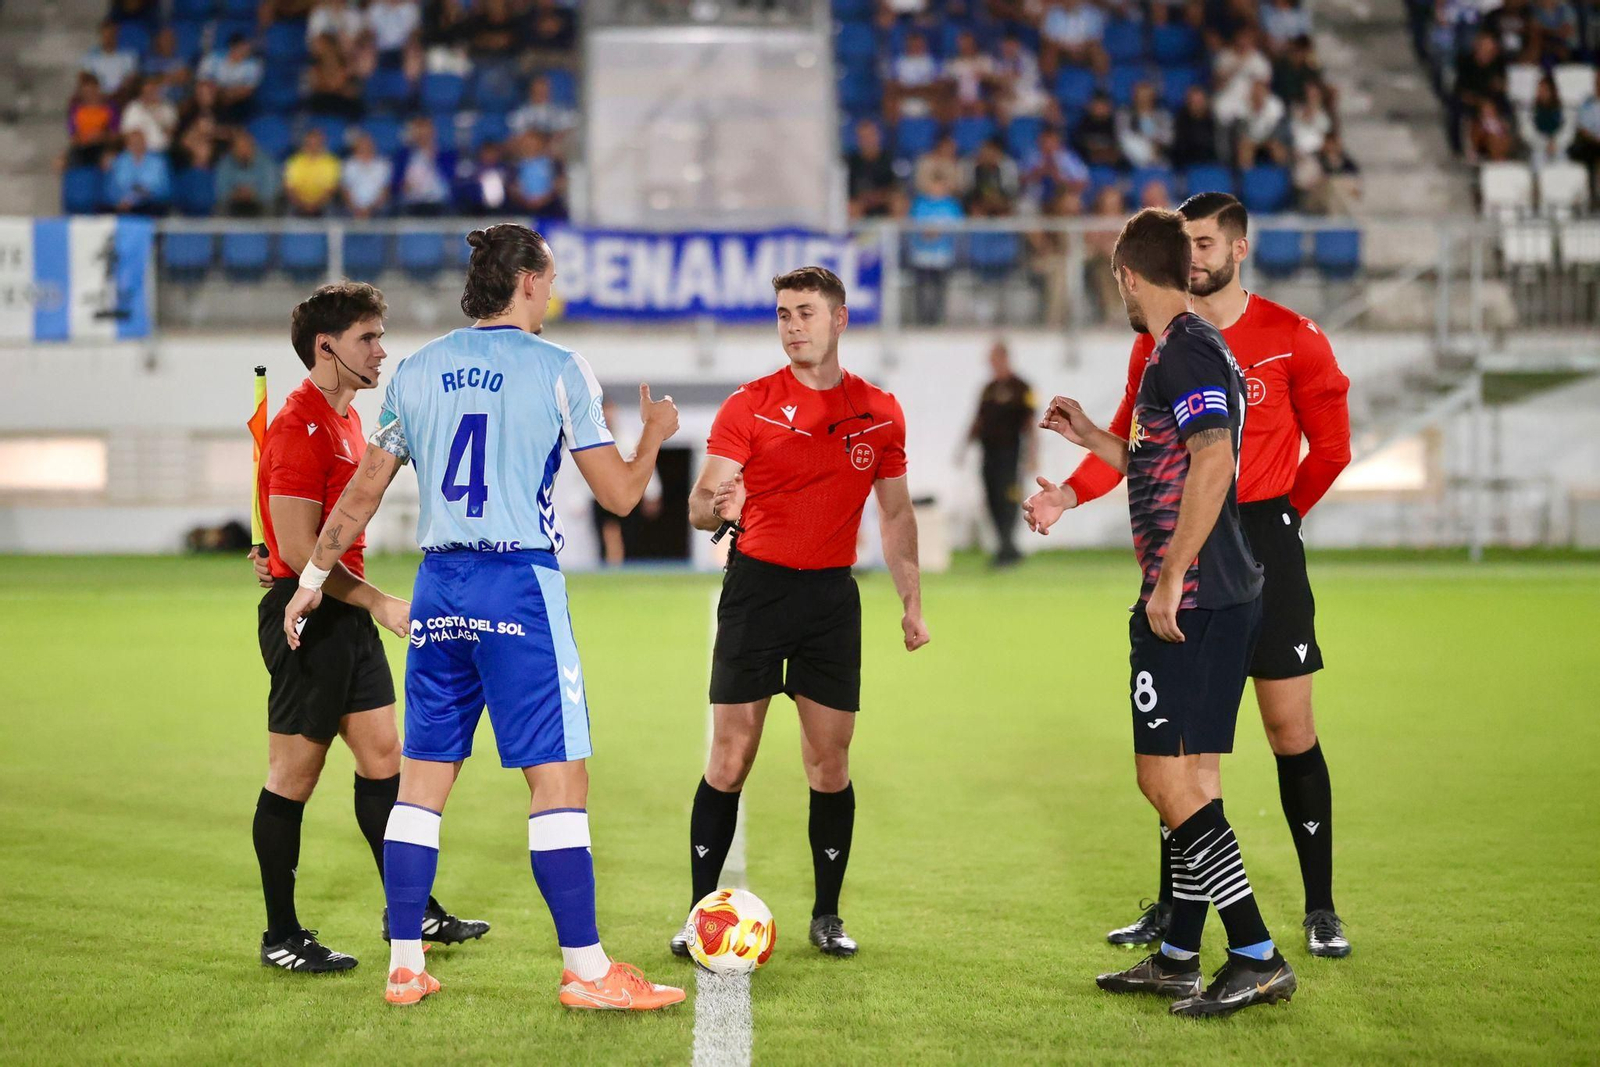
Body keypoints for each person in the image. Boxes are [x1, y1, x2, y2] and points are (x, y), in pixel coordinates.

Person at [282, 224, 685, 1011]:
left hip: (438, 586)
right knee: (559, 776)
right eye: (552, 276)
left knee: (423, 780)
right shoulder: (561, 367)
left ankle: (404, 962)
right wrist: (657, 436)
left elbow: (361, 492)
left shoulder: (418, 369)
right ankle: (588, 968)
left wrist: (312, 576)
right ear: (529, 281)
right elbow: (622, 496)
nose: (554, 289)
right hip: (516, 583)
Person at [1025, 193, 1353, 958]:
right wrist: (1074, 484)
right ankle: (1179, 937)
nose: (1196, 255)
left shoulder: (1270, 340)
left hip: (1238, 548)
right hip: (1202, 552)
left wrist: (1274, 523)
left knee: (1277, 733)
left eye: (1206, 242)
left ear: (1237, 249)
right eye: (1187, 243)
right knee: (1184, 755)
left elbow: (1295, 453)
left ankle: (1299, 919)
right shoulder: (1170, 347)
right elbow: (1152, 452)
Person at [671, 266, 930, 961]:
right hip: (756, 591)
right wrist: (715, 509)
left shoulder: (879, 410)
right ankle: (700, 913)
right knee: (730, 757)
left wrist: (912, 603)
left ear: (840, 319)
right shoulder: (748, 405)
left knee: (829, 761)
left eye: (806, 312)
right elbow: (700, 503)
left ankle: (827, 913)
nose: (793, 326)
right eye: (784, 313)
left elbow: (897, 512)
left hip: (829, 601)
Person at [250, 282, 487, 974]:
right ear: (326, 348)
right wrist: (381, 600)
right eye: (367, 337)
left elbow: (296, 540)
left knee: (387, 761)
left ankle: (409, 910)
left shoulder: (351, 419)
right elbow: (297, 554)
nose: (381, 349)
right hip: (310, 620)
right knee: (293, 776)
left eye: (380, 336)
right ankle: (281, 933)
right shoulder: (298, 426)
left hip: (343, 615)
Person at [962, 341, 1036, 566]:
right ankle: (1004, 545)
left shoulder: (1022, 387)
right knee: (991, 498)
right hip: (989, 453)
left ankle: (1007, 545)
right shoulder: (988, 388)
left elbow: (1030, 423)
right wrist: (963, 447)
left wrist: (1033, 454)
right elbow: (978, 420)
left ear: (1004, 358)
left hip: (1010, 454)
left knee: (1008, 499)